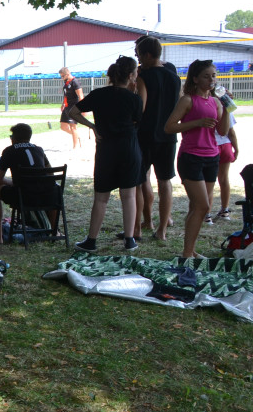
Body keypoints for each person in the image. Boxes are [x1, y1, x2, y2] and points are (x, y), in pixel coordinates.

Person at [68, 56, 144, 252]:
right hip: (128, 149)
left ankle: (91, 240)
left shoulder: (99, 94)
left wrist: (93, 126)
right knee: (129, 195)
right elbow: (138, 121)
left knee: (101, 198)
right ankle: (129, 240)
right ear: (130, 75)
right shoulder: (134, 98)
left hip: (106, 150)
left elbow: (73, 112)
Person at [163, 59, 231, 259]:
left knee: (197, 207)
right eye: (206, 76)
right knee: (203, 206)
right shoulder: (188, 100)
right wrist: (197, 122)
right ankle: (186, 254)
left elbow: (223, 130)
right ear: (195, 78)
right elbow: (169, 127)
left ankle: (190, 250)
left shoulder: (216, 101)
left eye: (214, 75)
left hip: (212, 157)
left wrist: (227, 108)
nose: (212, 79)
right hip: (191, 157)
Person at [134, 36, 181, 241]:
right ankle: (161, 229)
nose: (138, 59)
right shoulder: (174, 76)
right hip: (168, 136)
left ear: (147, 55)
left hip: (145, 135)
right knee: (165, 182)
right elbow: (179, 104)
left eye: (138, 55)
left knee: (141, 180)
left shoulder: (144, 76)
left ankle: (141, 225)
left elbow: (140, 108)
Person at [0, 123, 52, 245]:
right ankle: (54, 231)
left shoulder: (9, 151)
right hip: (45, 196)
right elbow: (50, 174)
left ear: (14, 138)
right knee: (54, 190)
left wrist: (13, 183)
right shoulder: (39, 149)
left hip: (23, 196)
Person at [209, 87, 238, 222]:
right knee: (224, 179)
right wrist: (236, 148)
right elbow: (231, 132)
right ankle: (224, 210)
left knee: (209, 181)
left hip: (210, 145)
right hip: (225, 145)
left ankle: (206, 213)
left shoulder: (207, 108)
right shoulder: (227, 110)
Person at [59, 67, 84, 149]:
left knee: (73, 127)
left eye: (62, 76)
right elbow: (66, 94)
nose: (62, 78)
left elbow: (80, 96)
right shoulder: (66, 82)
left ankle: (75, 146)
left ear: (67, 74)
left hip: (73, 107)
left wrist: (83, 108)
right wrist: (63, 104)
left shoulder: (75, 82)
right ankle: (76, 136)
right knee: (63, 127)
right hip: (66, 106)